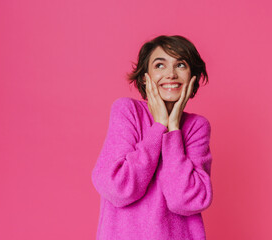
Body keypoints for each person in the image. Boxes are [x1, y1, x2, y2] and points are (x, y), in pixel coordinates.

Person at [91, 35, 213, 240]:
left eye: (181, 65)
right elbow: (118, 189)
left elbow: (186, 200)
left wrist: (173, 130)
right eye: (159, 65)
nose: (171, 74)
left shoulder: (196, 127)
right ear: (145, 77)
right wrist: (158, 128)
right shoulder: (127, 111)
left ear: (193, 76)